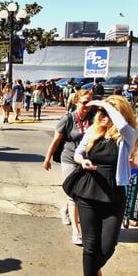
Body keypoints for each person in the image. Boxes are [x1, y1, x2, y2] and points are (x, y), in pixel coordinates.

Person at [72, 95, 138, 276]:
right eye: (100, 113)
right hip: (89, 192)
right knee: (90, 245)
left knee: (108, 245)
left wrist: (104, 105)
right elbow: (78, 152)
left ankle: (94, 267)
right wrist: (83, 160)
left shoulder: (127, 137)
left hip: (113, 195)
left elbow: (124, 126)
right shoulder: (93, 132)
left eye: (106, 113)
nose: (101, 116)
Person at [44, 90, 94, 245]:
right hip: (69, 159)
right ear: (77, 102)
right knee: (74, 192)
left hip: (86, 160)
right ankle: (76, 231)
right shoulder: (68, 119)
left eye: (90, 102)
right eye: (85, 102)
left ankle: (65, 210)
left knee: (80, 192)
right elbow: (56, 141)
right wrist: (47, 159)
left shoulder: (94, 118)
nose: (87, 106)